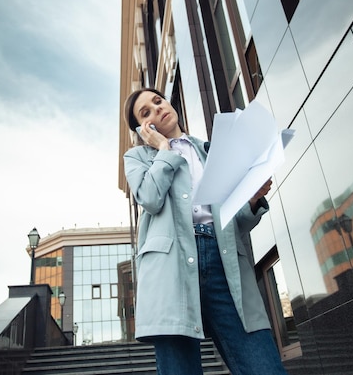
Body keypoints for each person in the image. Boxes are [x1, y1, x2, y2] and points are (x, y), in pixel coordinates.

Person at [123, 87, 287, 375]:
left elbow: (237, 223)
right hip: (170, 271)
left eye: (158, 101)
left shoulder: (212, 151)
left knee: (264, 367)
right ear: (143, 129)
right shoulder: (137, 158)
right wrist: (164, 149)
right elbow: (149, 198)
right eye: (146, 113)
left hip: (225, 264)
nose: (157, 109)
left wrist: (251, 200)